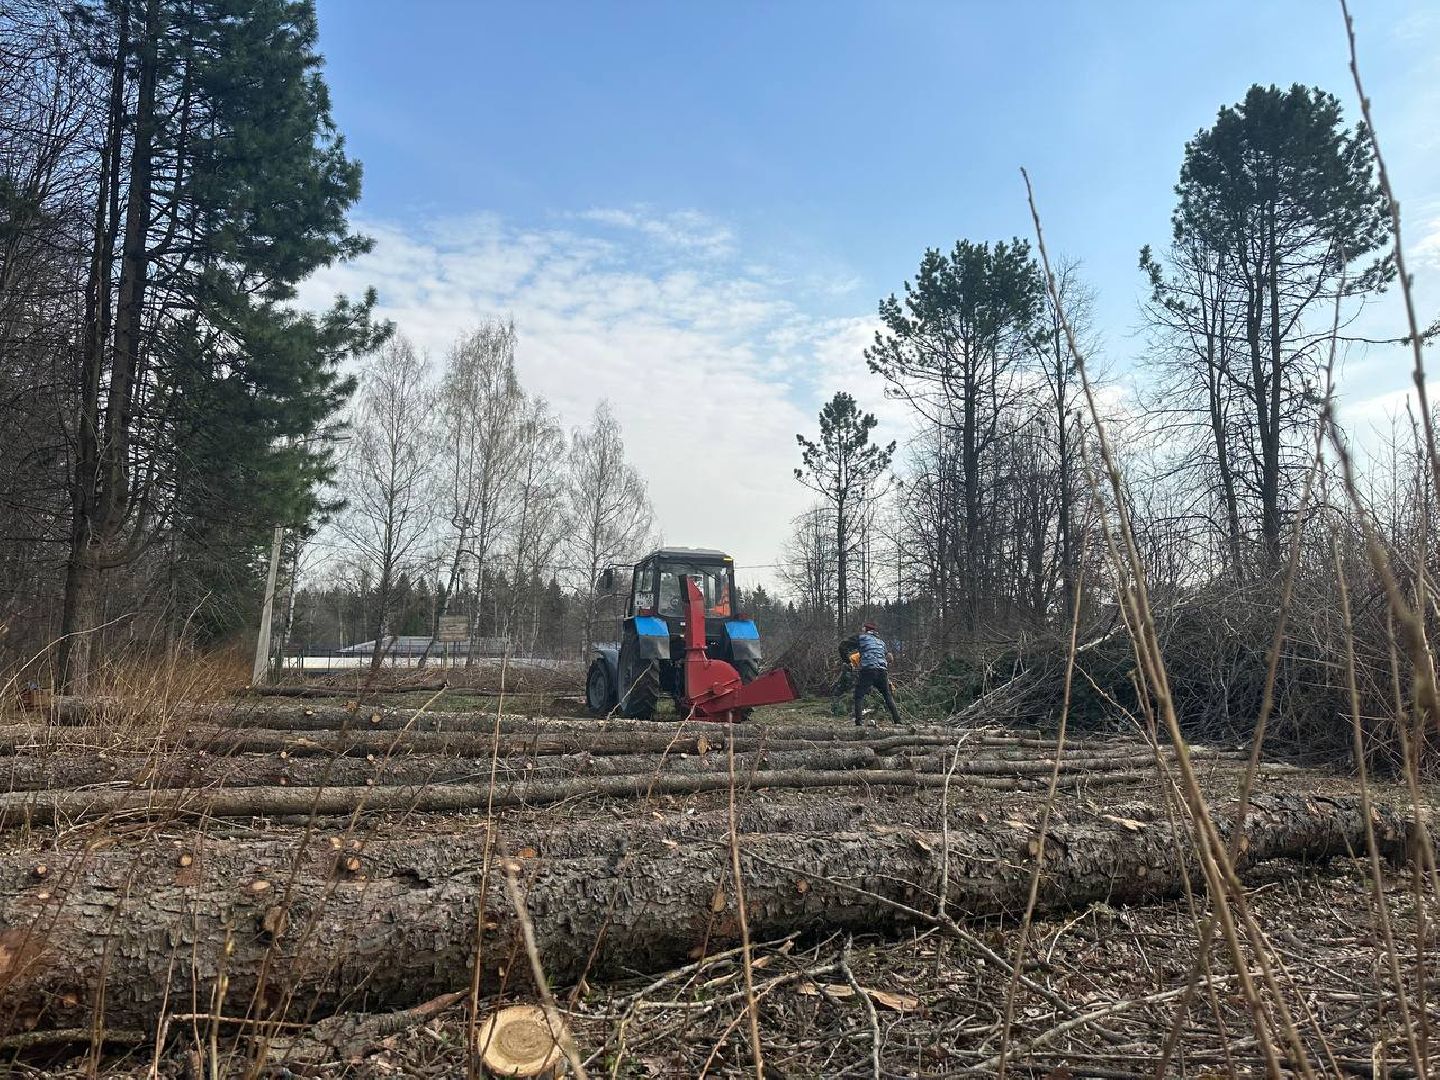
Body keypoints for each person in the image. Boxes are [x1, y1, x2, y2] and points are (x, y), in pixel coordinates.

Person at [838, 622, 901, 727]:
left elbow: (842, 646)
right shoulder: (881, 642)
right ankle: (898, 721)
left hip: (868, 670)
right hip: (882, 671)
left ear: (865, 629)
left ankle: (859, 723)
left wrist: (848, 662)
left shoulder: (861, 637)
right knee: (887, 695)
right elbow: (889, 657)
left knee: (859, 695)